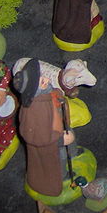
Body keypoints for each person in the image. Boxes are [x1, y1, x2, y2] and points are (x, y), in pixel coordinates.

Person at [15, 58, 74, 197]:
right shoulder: (35, 109)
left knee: (70, 143)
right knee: (59, 158)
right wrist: (60, 140)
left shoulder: (44, 94)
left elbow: (54, 98)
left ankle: (74, 153)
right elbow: (36, 136)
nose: (46, 79)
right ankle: (62, 176)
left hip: (61, 128)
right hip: (52, 144)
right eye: (42, 81)